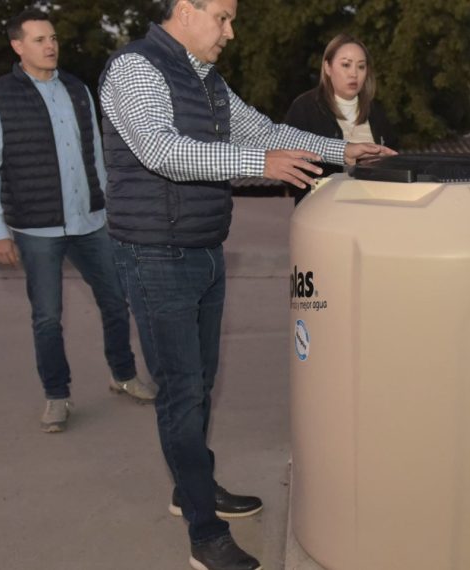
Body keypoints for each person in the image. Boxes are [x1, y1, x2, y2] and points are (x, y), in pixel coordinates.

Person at [97, 1, 393, 568]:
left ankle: (193, 488)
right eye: (224, 18)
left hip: (204, 249)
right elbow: (163, 150)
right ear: (186, 9)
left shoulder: (206, 78)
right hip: (155, 254)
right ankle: (205, 537)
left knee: (201, 383)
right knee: (181, 392)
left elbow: (266, 129)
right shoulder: (137, 69)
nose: (231, 33)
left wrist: (344, 151)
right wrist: (261, 161)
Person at [0, 9, 155, 434]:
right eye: (38, 39)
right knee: (47, 317)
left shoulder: (77, 89)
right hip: (37, 228)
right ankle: (56, 396)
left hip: (91, 220)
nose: (50, 45)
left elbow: (95, 154)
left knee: (115, 301)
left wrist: (111, 208)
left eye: (52, 37)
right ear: (18, 46)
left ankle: (123, 375)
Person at [284, 33, 398, 178]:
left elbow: (394, 161)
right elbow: (286, 162)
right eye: (346, 65)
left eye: (361, 67)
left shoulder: (377, 111)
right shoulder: (305, 108)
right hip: (324, 199)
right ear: (328, 67)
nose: (354, 74)